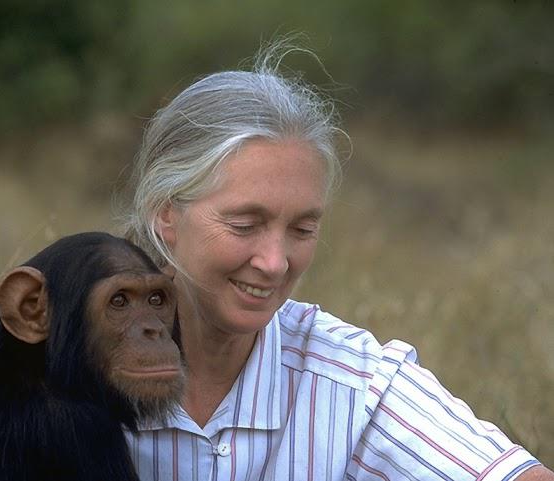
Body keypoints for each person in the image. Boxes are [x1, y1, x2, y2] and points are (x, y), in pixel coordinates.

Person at [119, 44, 553, 481]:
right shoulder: (71, 365)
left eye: (302, 230)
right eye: (245, 224)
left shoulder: (352, 381)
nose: (274, 263)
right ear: (165, 212)